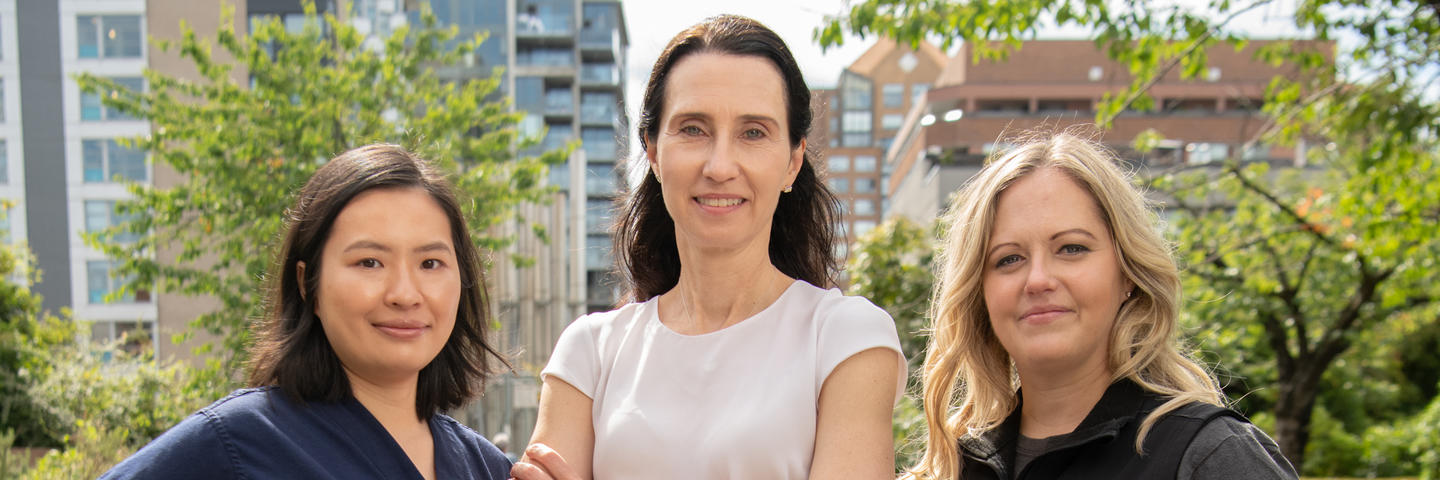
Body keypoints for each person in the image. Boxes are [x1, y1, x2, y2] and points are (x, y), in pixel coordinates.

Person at [510, 14, 906, 480]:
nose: (720, 166)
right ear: (653, 152)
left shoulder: (846, 339)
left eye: (753, 132)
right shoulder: (590, 352)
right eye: (694, 129)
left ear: (792, 162)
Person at [100, 144, 512, 480]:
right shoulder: (238, 443)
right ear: (307, 284)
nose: (405, 294)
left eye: (430, 264)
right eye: (369, 262)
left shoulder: (486, 467)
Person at [905, 131, 1298, 479]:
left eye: (1072, 248)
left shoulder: (1208, 455)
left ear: (1127, 272)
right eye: (1008, 259)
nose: (1038, 279)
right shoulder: (953, 468)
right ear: (980, 293)